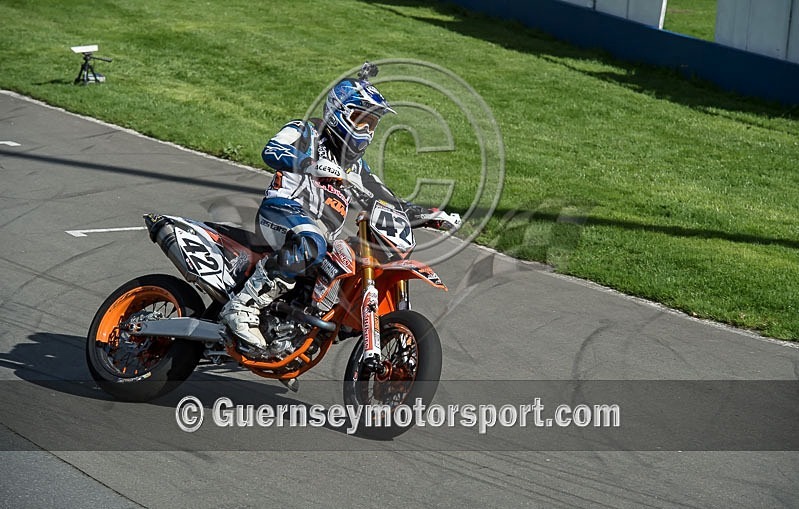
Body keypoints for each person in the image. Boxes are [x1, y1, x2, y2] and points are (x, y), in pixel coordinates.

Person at [220, 63, 459, 355]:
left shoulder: (356, 168)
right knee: (312, 241)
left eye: (372, 125)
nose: (367, 132)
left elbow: (384, 199)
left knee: (342, 261)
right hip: (282, 212)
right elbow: (272, 151)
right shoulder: (306, 131)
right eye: (361, 121)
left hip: (320, 237)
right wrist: (310, 164)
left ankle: (293, 329)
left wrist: (426, 213)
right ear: (338, 113)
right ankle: (242, 306)